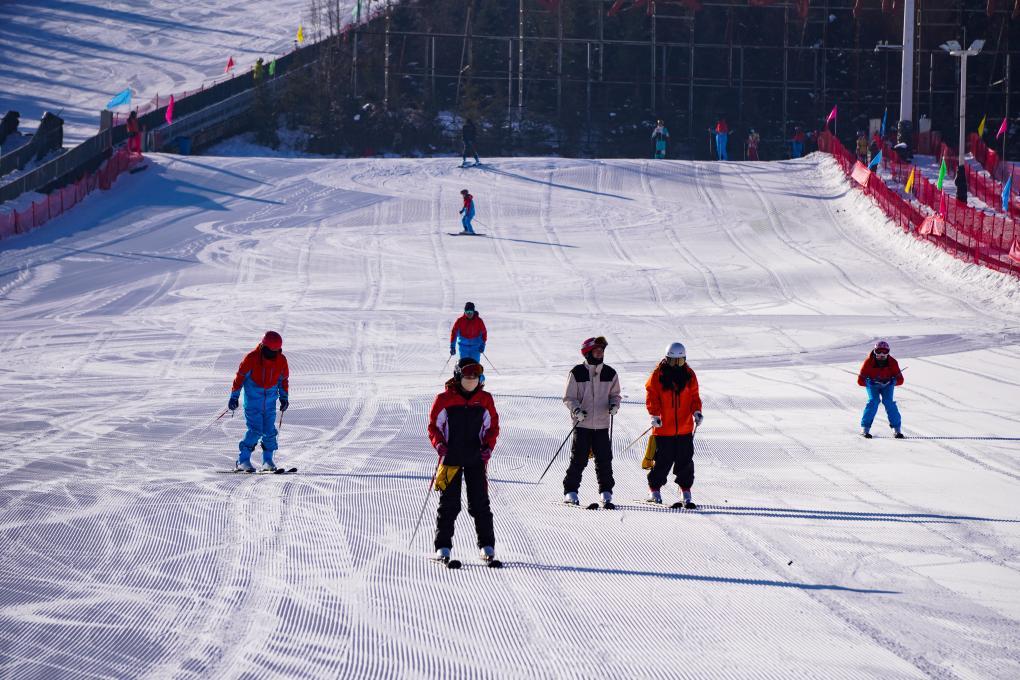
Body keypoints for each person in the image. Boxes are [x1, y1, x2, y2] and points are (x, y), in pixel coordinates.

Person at [427, 358, 500, 564]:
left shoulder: (485, 399)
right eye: (468, 375)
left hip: (476, 459)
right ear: (459, 376)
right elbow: (434, 427)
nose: (471, 379)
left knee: (480, 503)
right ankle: (443, 547)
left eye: (475, 376)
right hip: (451, 459)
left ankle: (487, 546)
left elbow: (492, 427)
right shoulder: (444, 399)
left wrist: (488, 447)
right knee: (449, 504)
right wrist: (439, 444)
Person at [562, 336, 621, 509]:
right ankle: (570, 491)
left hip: (602, 425)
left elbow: (615, 395)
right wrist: (576, 410)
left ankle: (606, 492)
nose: (600, 353)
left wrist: (614, 405)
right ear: (587, 352)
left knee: (604, 459)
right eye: (596, 350)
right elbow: (569, 397)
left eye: (602, 350)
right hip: (582, 424)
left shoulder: (610, 373)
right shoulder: (577, 372)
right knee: (579, 459)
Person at [645, 342, 702, 508]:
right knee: (663, 461)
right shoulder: (658, 375)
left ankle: (685, 490)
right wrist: (654, 415)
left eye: (680, 362)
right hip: (663, 428)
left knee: (685, 461)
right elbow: (651, 396)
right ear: (666, 359)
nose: (677, 366)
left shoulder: (689, 375)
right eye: (673, 362)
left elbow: (694, 397)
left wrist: (696, 412)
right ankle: (654, 489)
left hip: (684, 428)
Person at [228, 331, 290, 472]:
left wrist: (284, 397)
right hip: (253, 402)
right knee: (256, 430)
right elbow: (240, 377)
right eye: (270, 351)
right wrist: (234, 396)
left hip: (269, 402)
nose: (273, 354)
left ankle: (267, 461)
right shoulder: (251, 358)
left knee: (269, 431)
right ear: (263, 347)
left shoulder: (281, 360)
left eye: (276, 351)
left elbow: (283, 380)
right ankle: (243, 460)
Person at [857, 340, 904, 439]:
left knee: (888, 402)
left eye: (885, 352)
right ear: (874, 351)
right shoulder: (868, 362)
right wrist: (869, 382)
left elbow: (901, 380)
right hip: (873, 385)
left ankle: (897, 429)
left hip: (888, 385)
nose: (882, 355)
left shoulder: (892, 362)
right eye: (878, 352)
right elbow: (860, 381)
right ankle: (865, 428)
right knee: (873, 401)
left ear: (888, 352)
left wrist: (892, 382)